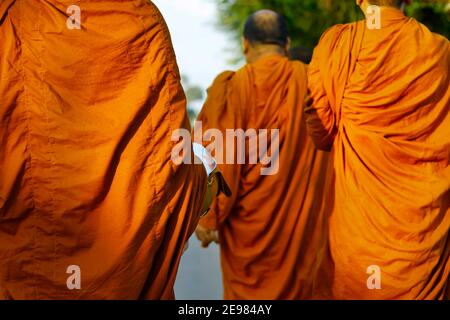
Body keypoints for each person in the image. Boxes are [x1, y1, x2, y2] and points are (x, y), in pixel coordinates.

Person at [0, 0, 228, 299]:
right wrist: (204, 182)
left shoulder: (12, 19)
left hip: (21, 268)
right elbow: (171, 169)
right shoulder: (138, 18)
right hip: (127, 276)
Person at [305, 0, 449, 299]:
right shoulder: (441, 52)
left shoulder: (337, 45)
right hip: (422, 232)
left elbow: (320, 133)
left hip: (358, 228)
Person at [195, 9, 331, 299]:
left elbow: (222, 163)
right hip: (304, 240)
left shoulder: (233, 88)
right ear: (287, 43)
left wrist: (208, 218)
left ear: (245, 44)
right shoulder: (314, 83)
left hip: (249, 251)